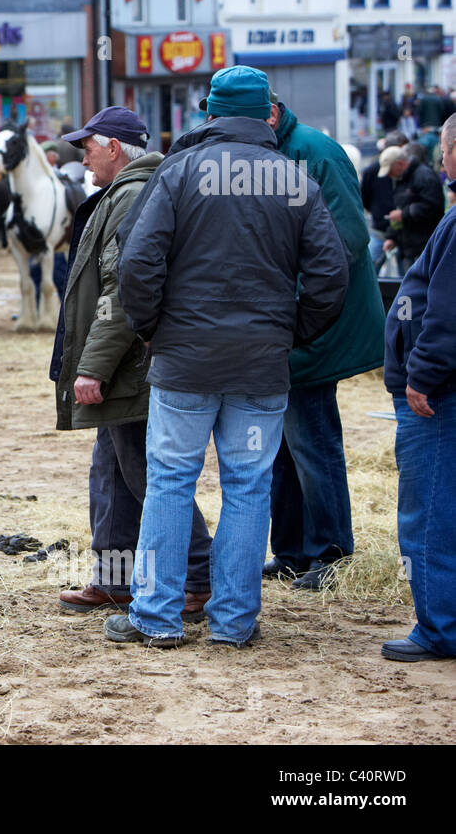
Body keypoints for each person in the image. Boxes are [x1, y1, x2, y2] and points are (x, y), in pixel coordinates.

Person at [111, 65, 348, 648]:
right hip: (260, 366)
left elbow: (136, 265)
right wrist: (289, 333)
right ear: (267, 114)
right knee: (248, 486)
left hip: (185, 362)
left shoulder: (179, 171)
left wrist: (151, 330)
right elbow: (331, 275)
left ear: (209, 113)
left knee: (170, 481)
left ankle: (158, 617)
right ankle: (235, 622)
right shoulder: (293, 179)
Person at [50, 106, 212, 616]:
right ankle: (116, 578)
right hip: (127, 363)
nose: (83, 158)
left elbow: (121, 293)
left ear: (114, 147)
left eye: (88, 147)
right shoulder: (124, 193)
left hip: (131, 367)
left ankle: (199, 577)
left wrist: (94, 365)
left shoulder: (131, 197)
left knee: (145, 472)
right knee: (112, 472)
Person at [264, 93, 386, 591]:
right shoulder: (272, 152)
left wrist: (292, 305)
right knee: (284, 446)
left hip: (316, 323)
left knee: (312, 440)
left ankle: (331, 554)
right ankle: (292, 551)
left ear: (269, 114)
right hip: (293, 322)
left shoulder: (316, 151)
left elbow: (349, 239)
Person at [381, 112, 456, 661]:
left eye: (445, 150)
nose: (441, 160)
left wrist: (421, 376)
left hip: (440, 397)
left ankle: (439, 629)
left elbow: (446, 313)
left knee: (430, 513)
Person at [379, 144, 444, 273]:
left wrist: (404, 214)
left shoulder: (424, 176)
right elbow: (400, 208)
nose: (390, 175)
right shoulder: (402, 179)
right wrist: (391, 237)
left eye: (390, 170)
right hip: (407, 249)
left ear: (399, 164)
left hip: (423, 248)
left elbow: (433, 206)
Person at [363, 131, 407, 271]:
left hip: (404, 230)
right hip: (381, 227)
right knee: (370, 269)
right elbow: (364, 195)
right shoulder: (372, 170)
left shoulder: (408, 172)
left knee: (405, 274)